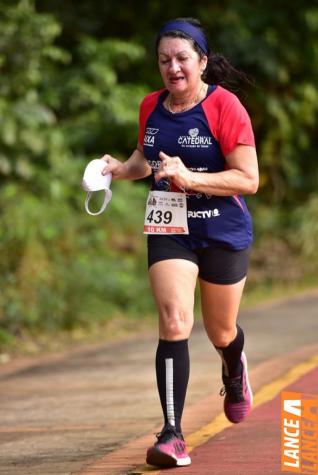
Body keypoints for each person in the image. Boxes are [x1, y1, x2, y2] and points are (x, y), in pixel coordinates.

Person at [100, 17, 259, 468]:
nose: (173, 68)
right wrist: (117, 167)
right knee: (174, 321)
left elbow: (249, 179)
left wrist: (192, 177)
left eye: (183, 59)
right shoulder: (150, 105)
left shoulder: (226, 107)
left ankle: (233, 365)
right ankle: (172, 434)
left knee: (220, 331)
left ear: (202, 62)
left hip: (222, 228)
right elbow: (145, 160)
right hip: (170, 228)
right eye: (165, 60)